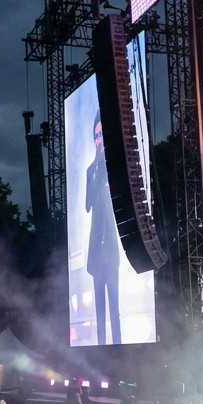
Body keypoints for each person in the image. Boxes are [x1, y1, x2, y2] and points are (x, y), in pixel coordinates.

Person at [85, 111, 121, 345]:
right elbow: (87, 205)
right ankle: (100, 346)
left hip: (111, 248)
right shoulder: (91, 170)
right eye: (96, 135)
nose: (99, 140)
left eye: (102, 135)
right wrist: (94, 179)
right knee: (99, 309)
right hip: (96, 253)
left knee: (114, 307)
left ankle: (118, 344)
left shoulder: (114, 167)